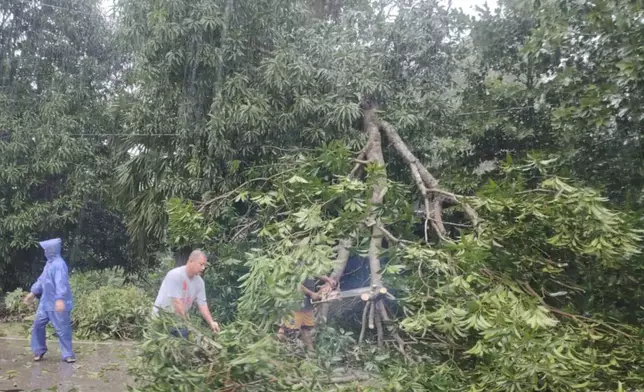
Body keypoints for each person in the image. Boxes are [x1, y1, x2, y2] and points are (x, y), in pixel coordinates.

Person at [23, 238, 75, 363]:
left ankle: (68, 354)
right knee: (38, 325)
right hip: (46, 302)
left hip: (57, 302)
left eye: (46, 249)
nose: (45, 252)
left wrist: (60, 299)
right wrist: (33, 293)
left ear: (52, 250)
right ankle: (39, 350)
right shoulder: (49, 264)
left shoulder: (59, 265)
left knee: (62, 329)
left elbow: (61, 283)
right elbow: (42, 280)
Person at [152, 249, 220, 336]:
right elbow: (176, 302)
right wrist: (188, 324)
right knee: (159, 345)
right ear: (191, 261)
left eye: (204, 265)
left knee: (182, 341)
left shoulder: (199, 282)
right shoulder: (175, 275)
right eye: (201, 264)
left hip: (178, 320)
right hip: (161, 318)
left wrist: (211, 322)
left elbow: (202, 305)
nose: (203, 268)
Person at [278, 275, 336, 351]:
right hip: (296, 304)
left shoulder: (309, 264)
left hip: (307, 304)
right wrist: (311, 294)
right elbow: (296, 283)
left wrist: (328, 279)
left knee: (305, 328)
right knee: (287, 328)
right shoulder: (296, 264)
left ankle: (311, 350)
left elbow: (315, 272)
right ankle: (280, 348)